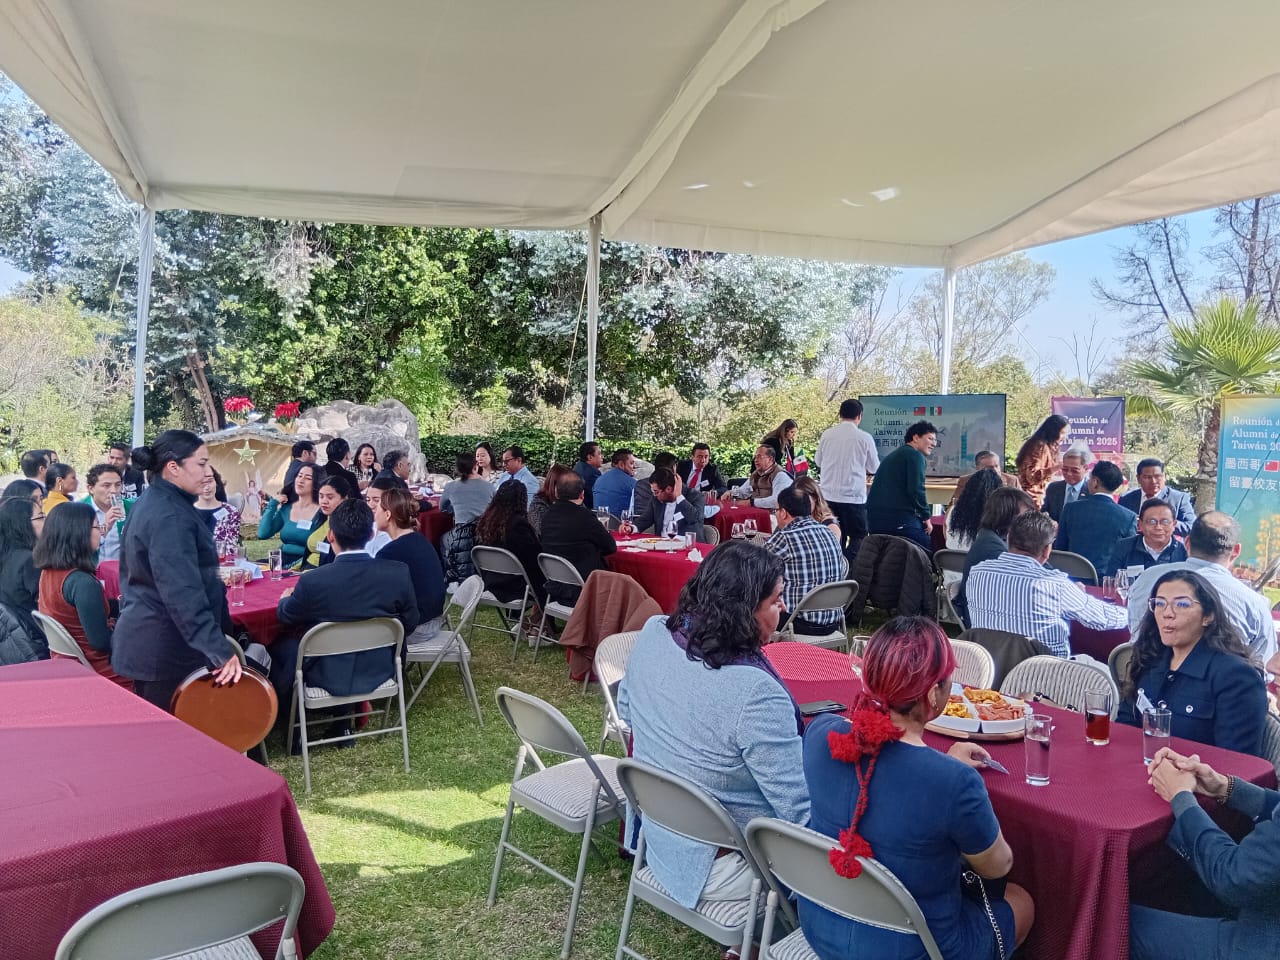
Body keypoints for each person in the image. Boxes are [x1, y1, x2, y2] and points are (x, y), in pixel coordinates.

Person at [801, 617, 1034, 960]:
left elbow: (887, 773)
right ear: (932, 694)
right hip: (917, 948)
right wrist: (951, 775)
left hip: (821, 926)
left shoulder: (821, 733)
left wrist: (945, 766)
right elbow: (997, 866)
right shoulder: (954, 782)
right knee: (1021, 901)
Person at [617, 541, 808, 922]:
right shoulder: (756, 692)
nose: (784, 608)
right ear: (744, 610)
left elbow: (627, 713)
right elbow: (799, 812)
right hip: (724, 866)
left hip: (658, 834)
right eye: (776, 600)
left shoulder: (655, 631)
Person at [111, 430, 241, 710]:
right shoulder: (169, 515)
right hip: (166, 646)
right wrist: (218, 650)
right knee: (171, 732)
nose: (207, 472)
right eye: (201, 464)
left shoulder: (159, 502)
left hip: (161, 640)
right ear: (173, 467)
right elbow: (182, 591)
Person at [1129, 746, 1280, 960]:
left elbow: (1233, 877)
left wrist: (1180, 796)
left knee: (1113, 926)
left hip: (1264, 941)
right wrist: (1223, 787)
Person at [275, 498, 419, 714]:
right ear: (371, 535)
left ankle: (288, 716)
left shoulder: (313, 581)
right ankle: (342, 720)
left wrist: (285, 599)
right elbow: (410, 621)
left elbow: (286, 616)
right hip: (379, 668)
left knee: (279, 647)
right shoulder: (397, 573)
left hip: (324, 674)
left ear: (330, 535)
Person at [1117, 570, 1267, 756]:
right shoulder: (1150, 659)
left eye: (1181, 604)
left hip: (1198, 773)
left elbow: (1237, 761)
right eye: (1159, 603)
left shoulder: (1236, 677)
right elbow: (1124, 727)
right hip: (1141, 767)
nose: (1167, 613)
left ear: (1208, 616)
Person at [967, 510, 1127, 658]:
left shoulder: (977, 573)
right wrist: (1134, 612)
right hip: (1045, 673)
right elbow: (1102, 619)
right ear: (1047, 550)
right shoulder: (1056, 585)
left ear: (1008, 538)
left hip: (988, 667)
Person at [1126, 512, 1277, 663]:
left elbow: (1135, 635)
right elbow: (1264, 667)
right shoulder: (1253, 603)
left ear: (1187, 543)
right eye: (1160, 604)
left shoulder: (1146, 579)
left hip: (1143, 672)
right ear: (1236, 551)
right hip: (1215, 678)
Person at [34, 503, 131, 689]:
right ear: (80, 534)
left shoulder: (48, 572)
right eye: (97, 526)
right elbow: (102, 642)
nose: (101, 531)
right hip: (103, 670)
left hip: (70, 664)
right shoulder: (82, 583)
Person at [762, 486, 845, 636]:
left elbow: (756, 569)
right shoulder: (828, 531)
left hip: (797, 622)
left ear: (783, 513)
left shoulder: (785, 537)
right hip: (833, 622)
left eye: (776, 510)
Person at [956, 487, 1037, 627]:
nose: (1029, 522)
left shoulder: (991, 537)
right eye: (1025, 516)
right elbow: (1027, 584)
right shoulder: (992, 548)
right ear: (1007, 516)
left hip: (988, 616)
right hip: (987, 624)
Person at [373, 488, 446, 642]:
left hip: (415, 629)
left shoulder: (390, 552)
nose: (374, 512)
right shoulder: (420, 540)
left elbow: (379, 596)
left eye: (377, 507)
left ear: (388, 515)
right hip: (433, 620)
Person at [814, 399, 880, 561]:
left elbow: (818, 461)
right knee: (859, 537)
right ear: (859, 416)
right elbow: (874, 467)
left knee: (833, 536)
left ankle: (836, 566)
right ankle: (848, 565)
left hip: (828, 496)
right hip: (853, 497)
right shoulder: (864, 438)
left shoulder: (827, 435)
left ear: (840, 414)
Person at [538, 473, 617, 605]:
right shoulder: (584, 517)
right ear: (582, 494)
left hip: (556, 588)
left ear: (556, 492)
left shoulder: (547, 516)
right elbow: (610, 547)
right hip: (587, 590)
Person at [1052, 460, 1137, 579]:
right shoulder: (1129, 517)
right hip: (1106, 582)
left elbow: (1060, 548)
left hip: (1070, 578)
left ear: (1095, 482)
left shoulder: (1070, 509)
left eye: (1089, 478)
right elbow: (1129, 556)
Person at [865, 420, 937, 554]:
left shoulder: (895, 455)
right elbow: (916, 490)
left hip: (875, 520)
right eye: (930, 438)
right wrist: (926, 516)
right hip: (897, 520)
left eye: (935, 440)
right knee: (925, 551)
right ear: (916, 437)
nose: (934, 444)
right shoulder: (915, 456)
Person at [475, 478, 546, 607]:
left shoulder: (485, 523)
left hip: (492, 581)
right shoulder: (518, 527)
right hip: (516, 586)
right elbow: (534, 560)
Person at [257, 462, 322, 569]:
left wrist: (292, 567)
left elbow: (322, 549)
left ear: (316, 484)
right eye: (299, 476)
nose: (301, 480)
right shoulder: (287, 508)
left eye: (308, 478)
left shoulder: (322, 512)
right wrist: (273, 504)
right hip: (281, 559)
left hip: (306, 563)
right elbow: (262, 534)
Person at [0, 496, 44, 652]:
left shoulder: (7, 555)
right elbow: (47, 607)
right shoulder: (29, 560)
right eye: (41, 517)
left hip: (11, 644)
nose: (46, 522)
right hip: (34, 640)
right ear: (23, 524)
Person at [1118, 457, 1196, 536]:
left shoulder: (1179, 499)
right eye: (1148, 477)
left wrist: (1166, 523)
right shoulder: (1126, 499)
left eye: (1157, 476)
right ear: (1138, 479)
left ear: (1164, 477)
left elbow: (1192, 527)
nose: (1153, 481)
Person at [629, 467, 704, 541]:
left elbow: (696, 519)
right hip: (661, 544)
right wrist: (631, 528)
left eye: (656, 492)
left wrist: (679, 497)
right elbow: (645, 519)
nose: (654, 495)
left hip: (687, 544)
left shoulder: (695, 496)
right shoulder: (656, 499)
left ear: (668, 489)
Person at [1114, 500, 1188, 571]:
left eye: (1165, 522)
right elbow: (1111, 578)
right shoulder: (1123, 547)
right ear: (1140, 524)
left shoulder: (1184, 552)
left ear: (1174, 525)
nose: (1158, 527)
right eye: (1152, 521)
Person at [1015, 414, 1070, 508]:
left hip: (1036, 496)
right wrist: (1056, 468)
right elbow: (1031, 477)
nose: (1064, 437)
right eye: (1062, 433)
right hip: (1030, 498)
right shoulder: (1039, 446)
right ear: (1053, 432)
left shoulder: (1047, 447)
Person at [945, 467, 1003, 550]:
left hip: (951, 557)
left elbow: (946, 535)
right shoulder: (996, 516)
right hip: (980, 557)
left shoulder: (953, 511)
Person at [303, 475, 351, 568]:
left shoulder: (346, 526)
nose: (324, 501)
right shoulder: (321, 519)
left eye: (330, 497)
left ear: (345, 498)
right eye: (321, 496)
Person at [945, 450, 1020, 510]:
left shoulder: (1012, 480)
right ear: (978, 468)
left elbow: (1023, 504)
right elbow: (954, 506)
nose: (995, 470)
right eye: (990, 467)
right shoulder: (966, 480)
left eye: (997, 466)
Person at [726, 444, 793, 509]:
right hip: (757, 512)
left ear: (770, 459)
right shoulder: (756, 474)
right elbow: (743, 492)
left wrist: (751, 503)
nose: (756, 460)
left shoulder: (780, 475)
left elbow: (777, 500)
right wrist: (730, 493)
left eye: (759, 457)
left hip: (774, 514)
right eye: (755, 457)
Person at [84, 463, 127, 561]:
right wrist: (105, 527)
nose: (113, 490)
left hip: (119, 569)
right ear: (91, 488)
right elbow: (75, 549)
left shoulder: (129, 507)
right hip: (91, 569)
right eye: (106, 485)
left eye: (118, 485)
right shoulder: (79, 511)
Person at [441, 452, 497, 525]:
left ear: (458, 469)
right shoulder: (489, 486)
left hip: (461, 529)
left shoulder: (450, 486)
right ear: (475, 466)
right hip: (484, 528)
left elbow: (443, 508)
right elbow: (496, 508)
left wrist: (456, 508)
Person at [1040, 444, 1090, 522]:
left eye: (1074, 471)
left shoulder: (1091, 491)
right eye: (1065, 469)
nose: (1069, 474)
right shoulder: (1053, 488)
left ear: (1086, 468)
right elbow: (1043, 513)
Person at [194, 468, 242, 550]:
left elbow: (230, 548)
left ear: (216, 483)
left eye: (210, 481)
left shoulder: (231, 512)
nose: (206, 487)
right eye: (201, 482)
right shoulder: (184, 512)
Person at [791, 475, 842, 543]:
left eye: (804, 499)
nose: (800, 504)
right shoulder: (797, 519)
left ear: (815, 497)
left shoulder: (830, 526)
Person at [592, 448, 638, 518]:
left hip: (598, 522)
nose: (634, 466)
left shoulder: (598, 480)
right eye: (631, 463)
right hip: (622, 523)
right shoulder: (633, 484)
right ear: (621, 464)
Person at [528, 463, 572, 536]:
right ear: (552, 485)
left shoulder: (573, 498)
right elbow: (547, 531)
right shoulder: (537, 506)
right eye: (564, 485)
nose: (567, 488)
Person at [572, 441, 603, 509]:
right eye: (599, 453)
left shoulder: (578, 465)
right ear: (590, 457)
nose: (602, 457)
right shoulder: (592, 473)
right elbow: (599, 497)